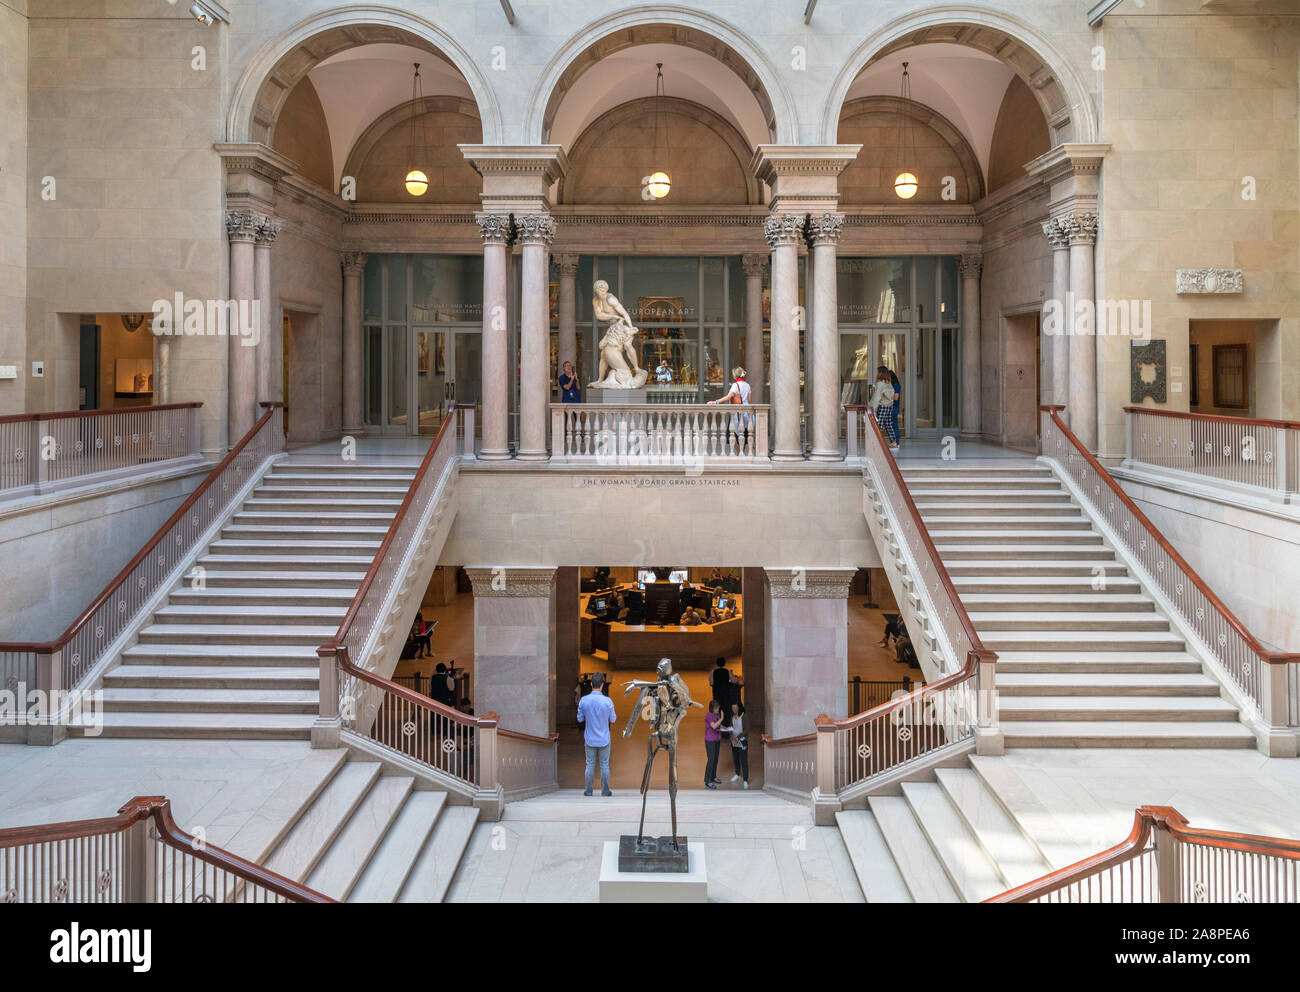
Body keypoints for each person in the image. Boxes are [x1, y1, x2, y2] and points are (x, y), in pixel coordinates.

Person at [576, 672, 617, 797]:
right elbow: (613, 719)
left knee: (590, 764)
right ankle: (605, 791)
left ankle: (588, 791)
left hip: (590, 738)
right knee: (604, 765)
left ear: (592, 684)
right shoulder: (608, 701)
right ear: (602, 685)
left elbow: (579, 719)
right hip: (604, 737)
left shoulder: (584, 700)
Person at [706, 366, 752, 451]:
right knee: (744, 434)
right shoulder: (747, 385)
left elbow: (729, 396)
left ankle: (739, 452)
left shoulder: (736, 385)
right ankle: (741, 452)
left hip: (737, 414)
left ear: (735, 376)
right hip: (746, 413)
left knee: (732, 434)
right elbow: (749, 400)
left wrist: (716, 402)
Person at [870, 366, 900, 449]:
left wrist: (873, 409)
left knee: (878, 425)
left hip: (882, 406)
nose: (877, 374)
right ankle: (894, 443)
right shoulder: (889, 383)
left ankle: (877, 443)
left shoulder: (880, 384)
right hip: (889, 406)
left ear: (880, 373)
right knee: (889, 424)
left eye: (878, 372)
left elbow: (877, 398)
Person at [726, 702, 749, 789]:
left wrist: (738, 737)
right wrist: (731, 734)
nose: (734, 710)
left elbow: (747, 729)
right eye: (732, 708)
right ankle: (737, 774)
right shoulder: (732, 717)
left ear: (739, 708)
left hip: (742, 741)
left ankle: (745, 780)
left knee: (743, 760)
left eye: (735, 708)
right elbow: (731, 727)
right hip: (734, 741)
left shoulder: (744, 716)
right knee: (736, 758)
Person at [703, 699, 724, 789]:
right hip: (710, 740)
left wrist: (726, 728)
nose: (717, 710)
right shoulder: (709, 715)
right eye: (716, 708)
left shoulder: (717, 715)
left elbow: (719, 725)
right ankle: (707, 780)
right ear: (712, 708)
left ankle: (713, 777)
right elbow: (714, 726)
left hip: (716, 740)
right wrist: (722, 719)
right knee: (711, 760)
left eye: (718, 708)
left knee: (715, 759)